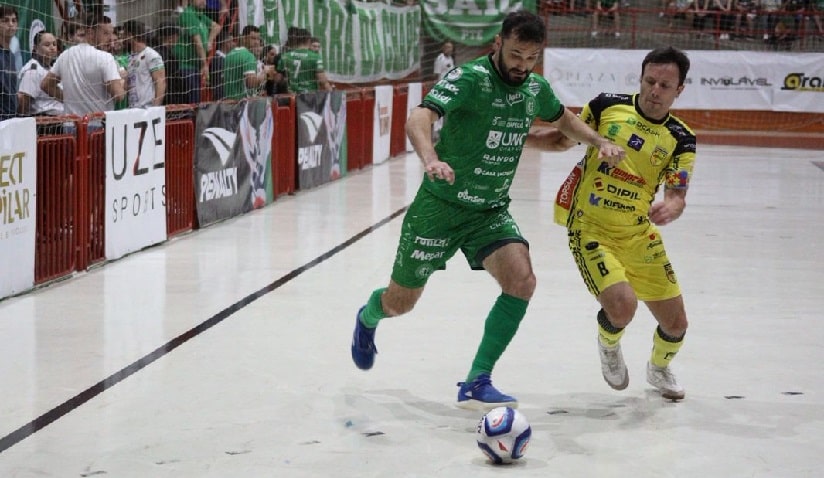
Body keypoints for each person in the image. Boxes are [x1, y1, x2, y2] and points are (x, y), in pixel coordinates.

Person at [350, 10, 625, 411]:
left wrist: (597, 142)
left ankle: (478, 379)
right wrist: (430, 158)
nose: (522, 65)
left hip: (489, 212)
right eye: (516, 54)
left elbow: (563, 120)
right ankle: (368, 317)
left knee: (523, 282)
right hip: (439, 208)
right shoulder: (469, 78)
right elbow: (418, 117)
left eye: (532, 58)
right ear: (498, 42)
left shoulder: (534, 88)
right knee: (401, 302)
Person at [553, 47, 696, 400]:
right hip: (591, 227)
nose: (655, 91)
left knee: (676, 324)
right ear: (641, 78)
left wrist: (673, 206)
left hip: (637, 232)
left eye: (665, 85)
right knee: (622, 307)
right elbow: (562, 140)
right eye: (650, 81)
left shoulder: (682, 138)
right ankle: (609, 345)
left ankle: (658, 368)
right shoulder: (605, 106)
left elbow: (678, 191)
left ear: (679, 90)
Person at [41, 13, 125, 118]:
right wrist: (123, 82)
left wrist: (69, 100)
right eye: (106, 33)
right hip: (97, 126)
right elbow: (118, 95)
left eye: (111, 33)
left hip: (71, 125)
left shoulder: (65, 55)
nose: (111, 39)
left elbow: (46, 85)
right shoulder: (105, 58)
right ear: (90, 32)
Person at [174, 0, 221, 104]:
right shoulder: (189, 14)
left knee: (197, 101)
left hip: (195, 66)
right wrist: (205, 65)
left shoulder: (200, 16)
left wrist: (210, 40)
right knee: (193, 104)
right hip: (185, 67)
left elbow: (217, 27)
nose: (203, 1)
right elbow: (198, 42)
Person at [17, 31, 63, 120]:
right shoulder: (32, 70)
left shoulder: (52, 68)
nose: (52, 48)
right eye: (47, 45)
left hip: (59, 120)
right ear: (35, 48)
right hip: (44, 122)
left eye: (54, 44)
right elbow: (23, 101)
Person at [122, 20, 166, 108]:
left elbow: (161, 81)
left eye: (124, 34)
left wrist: (155, 107)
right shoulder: (130, 57)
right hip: (132, 108)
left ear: (130, 35)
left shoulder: (151, 55)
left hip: (147, 108)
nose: (122, 37)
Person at [224, 25, 273, 100]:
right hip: (242, 104)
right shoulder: (249, 56)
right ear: (244, 39)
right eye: (253, 38)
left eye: (258, 39)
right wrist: (266, 73)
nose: (257, 42)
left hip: (228, 103)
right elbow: (250, 83)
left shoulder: (229, 54)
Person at [277, 27, 331, 93]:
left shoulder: (285, 56)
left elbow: (278, 79)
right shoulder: (315, 57)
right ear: (308, 41)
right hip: (310, 96)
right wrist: (331, 91)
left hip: (292, 96)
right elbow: (323, 81)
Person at [0, 4, 19, 121]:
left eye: (14, 20)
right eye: (5, 20)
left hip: (11, 119)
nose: (11, 24)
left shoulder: (11, 55)